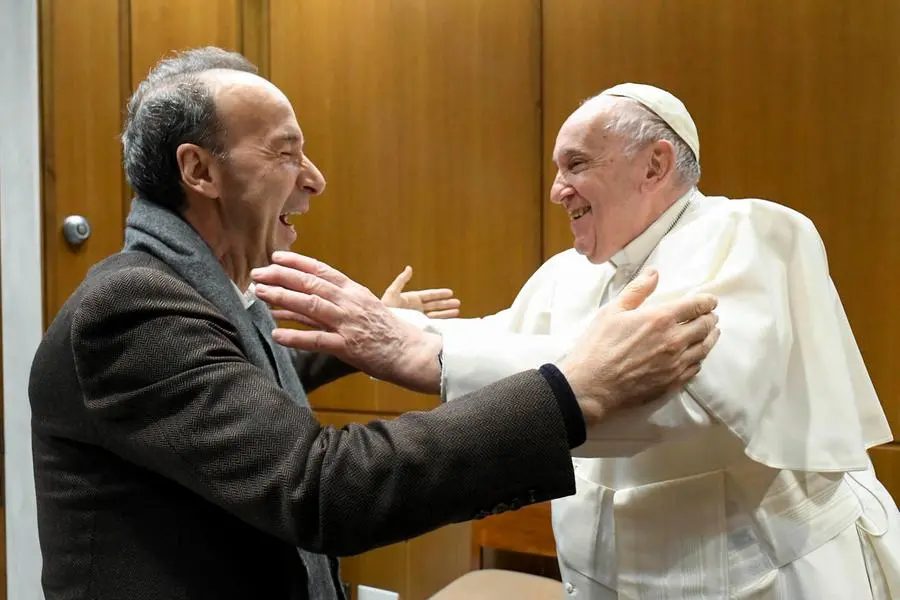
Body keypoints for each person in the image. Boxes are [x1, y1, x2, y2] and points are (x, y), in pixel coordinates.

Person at [28, 49, 720, 600]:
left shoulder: (189, 289)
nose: (315, 177)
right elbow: (322, 489)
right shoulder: (131, 309)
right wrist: (571, 391)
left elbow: (233, 381)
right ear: (199, 171)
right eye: (285, 152)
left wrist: (364, 337)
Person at [257, 83, 900, 599]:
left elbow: (692, 397)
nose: (557, 189)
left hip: (762, 575)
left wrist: (425, 352)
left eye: (577, 164)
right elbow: (504, 340)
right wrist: (389, 327)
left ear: (656, 163)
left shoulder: (745, 234)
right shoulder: (574, 270)